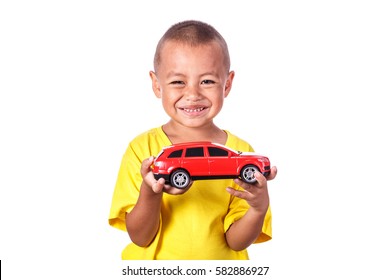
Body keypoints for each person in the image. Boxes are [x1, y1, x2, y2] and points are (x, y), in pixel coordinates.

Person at [108, 20, 277, 260]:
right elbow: (140, 237)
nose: (193, 94)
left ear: (227, 84)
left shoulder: (240, 151)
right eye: (178, 81)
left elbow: (236, 242)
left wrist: (259, 208)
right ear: (157, 85)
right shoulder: (142, 150)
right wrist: (151, 191)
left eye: (207, 81)